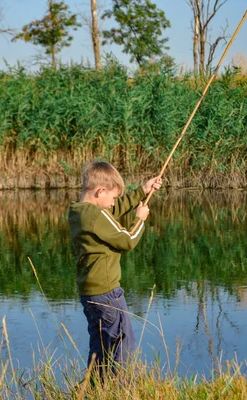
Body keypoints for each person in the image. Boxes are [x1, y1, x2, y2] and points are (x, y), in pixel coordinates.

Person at [68, 161, 162, 378]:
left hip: (89, 292)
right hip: (107, 292)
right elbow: (126, 241)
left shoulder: (79, 211)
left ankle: (96, 386)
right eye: (112, 197)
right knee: (122, 342)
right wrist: (140, 219)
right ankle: (120, 388)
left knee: (100, 344)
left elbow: (110, 213)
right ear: (100, 191)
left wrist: (142, 191)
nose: (113, 204)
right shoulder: (96, 216)